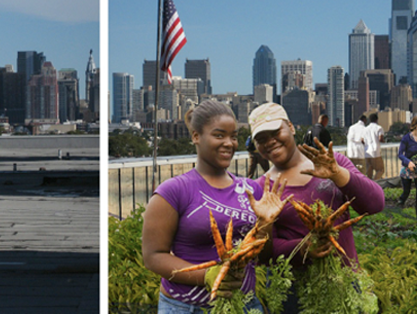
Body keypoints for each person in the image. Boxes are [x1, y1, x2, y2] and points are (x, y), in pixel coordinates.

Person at [248, 102, 385, 313]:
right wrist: (303, 249)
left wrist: (337, 174)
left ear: (291, 127)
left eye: (276, 132)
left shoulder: (332, 162)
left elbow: (375, 204)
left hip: (346, 283)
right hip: (294, 294)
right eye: (261, 139)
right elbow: (264, 255)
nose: (270, 142)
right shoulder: (261, 188)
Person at [141, 100, 269, 312]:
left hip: (243, 305)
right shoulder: (174, 191)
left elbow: (263, 252)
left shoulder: (252, 189)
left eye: (234, 136)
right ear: (196, 136)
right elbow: (153, 257)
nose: (229, 143)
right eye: (219, 135)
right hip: (186, 307)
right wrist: (207, 276)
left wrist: (267, 223)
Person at [397, 116, 417, 220]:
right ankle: (401, 201)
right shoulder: (406, 138)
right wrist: (408, 162)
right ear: (415, 125)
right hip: (408, 168)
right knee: (406, 191)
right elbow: (400, 154)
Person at [364, 113, 385, 180]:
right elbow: (380, 138)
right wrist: (384, 141)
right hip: (375, 152)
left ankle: (369, 185)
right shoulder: (379, 128)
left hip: (366, 152)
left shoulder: (365, 129)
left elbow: (362, 140)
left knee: (369, 172)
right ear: (377, 120)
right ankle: (374, 183)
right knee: (380, 170)